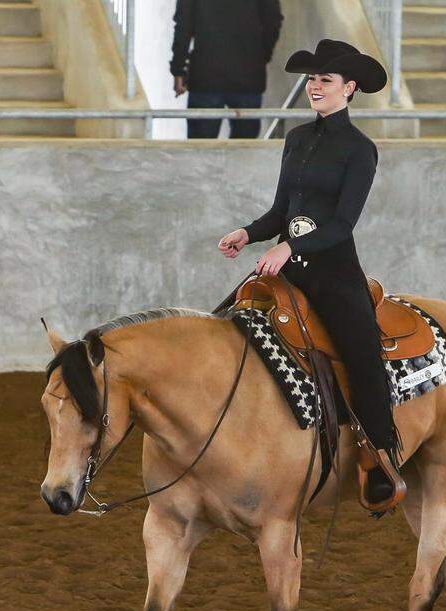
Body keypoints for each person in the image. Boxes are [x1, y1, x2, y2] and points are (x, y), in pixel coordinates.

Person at [216, 39, 405, 511]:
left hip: (335, 274)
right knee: (225, 320)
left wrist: (289, 246)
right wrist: (248, 232)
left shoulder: (361, 149)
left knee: (361, 353)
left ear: (350, 88)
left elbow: (342, 225)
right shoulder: (297, 139)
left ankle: (382, 458)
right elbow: (281, 211)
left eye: (325, 80)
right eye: (312, 79)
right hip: (288, 268)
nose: (314, 87)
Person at [171, 0, 283, 139]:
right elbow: (273, 21)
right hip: (248, 75)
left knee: (200, 153)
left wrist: (178, 70)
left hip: (205, 75)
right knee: (243, 153)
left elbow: (183, 25)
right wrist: (260, 57)